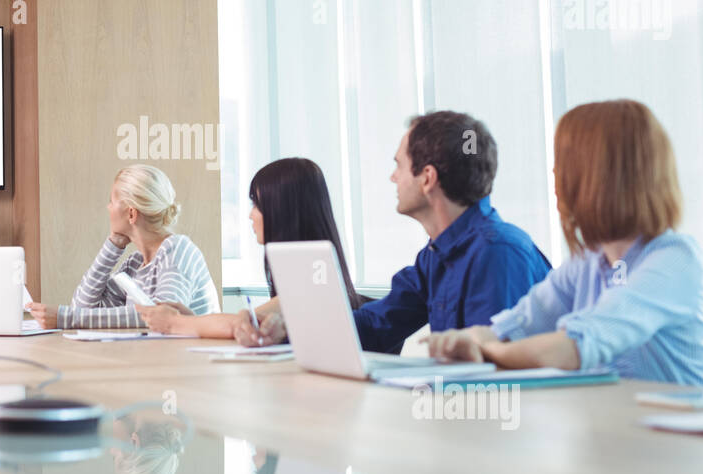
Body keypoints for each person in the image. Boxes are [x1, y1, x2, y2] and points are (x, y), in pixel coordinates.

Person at [425, 100, 703, 388]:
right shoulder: (587, 263)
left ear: (603, 177)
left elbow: (573, 349)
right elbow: (510, 329)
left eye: (566, 164)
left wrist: (487, 349)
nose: (556, 176)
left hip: (702, 438)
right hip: (624, 430)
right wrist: (470, 340)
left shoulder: (675, 260)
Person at [236, 111, 550, 351]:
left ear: (427, 178)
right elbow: (376, 323)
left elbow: (494, 373)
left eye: (399, 166)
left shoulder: (498, 254)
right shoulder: (436, 256)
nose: (392, 178)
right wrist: (288, 327)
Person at [138, 157, 367, 338]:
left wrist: (176, 322)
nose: (250, 214)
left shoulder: (313, 271)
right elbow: (251, 320)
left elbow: (245, 323)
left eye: (257, 204)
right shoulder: (307, 267)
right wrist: (191, 319)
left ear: (282, 210)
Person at [27, 164, 219, 329]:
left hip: (191, 365)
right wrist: (113, 246)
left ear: (131, 214)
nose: (108, 207)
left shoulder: (178, 250)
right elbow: (83, 307)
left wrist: (65, 318)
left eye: (112, 201)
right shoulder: (135, 264)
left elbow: (161, 316)